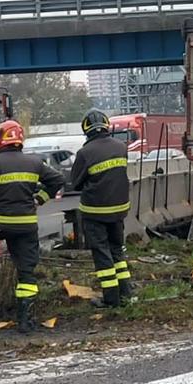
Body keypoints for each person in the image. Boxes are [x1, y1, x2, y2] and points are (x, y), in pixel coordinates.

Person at [0, 120, 65, 333]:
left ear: (0, 139)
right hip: (26, 226)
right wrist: (39, 200)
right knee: (27, 272)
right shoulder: (34, 163)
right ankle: (25, 320)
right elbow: (57, 180)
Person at [68, 109, 134, 307]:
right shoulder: (121, 146)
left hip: (95, 212)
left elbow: (76, 183)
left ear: (86, 129)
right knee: (117, 253)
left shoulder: (85, 153)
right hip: (119, 210)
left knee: (102, 255)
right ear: (107, 126)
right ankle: (126, 294)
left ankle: (111, 299)